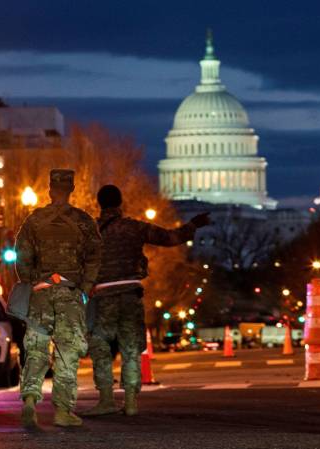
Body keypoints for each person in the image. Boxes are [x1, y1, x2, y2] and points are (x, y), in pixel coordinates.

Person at [82, 185, 210, 417]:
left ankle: (106, 399)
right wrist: (193, 225)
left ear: (99, 203)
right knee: (131, 346)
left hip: (103, 296)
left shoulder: (90, 232)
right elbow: (171, 237)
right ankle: (130, 401)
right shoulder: (133, 227)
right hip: (131, 293)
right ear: (120, 203)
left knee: (100, 345)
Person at [15, 169, 101, 428]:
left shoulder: (35, 220)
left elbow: (21, 255)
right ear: (72, 188)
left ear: (50, 189)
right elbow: (95, 258)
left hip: (41, 293)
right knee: (67, 351)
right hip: (70, 292)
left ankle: (30, 398)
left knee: (37, 348)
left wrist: (33, 283)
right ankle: (63, 410)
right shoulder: (83, 221)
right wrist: (84, 288)